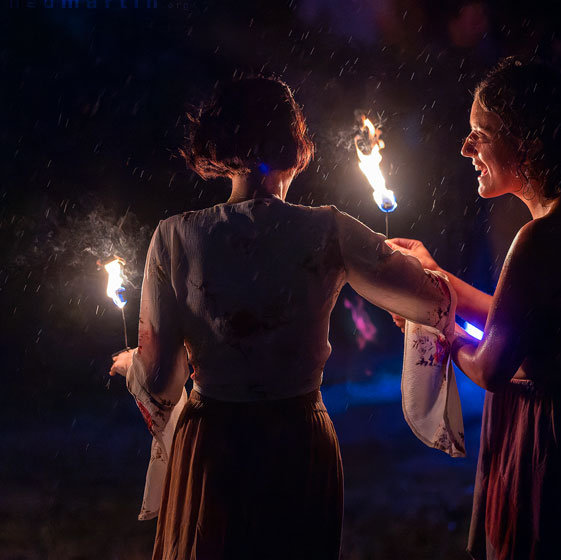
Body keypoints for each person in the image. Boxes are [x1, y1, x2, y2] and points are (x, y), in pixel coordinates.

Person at [109, 76, 454, 560]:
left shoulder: (175, 236)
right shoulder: (328, 229)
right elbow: (432, 301)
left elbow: (163, 378)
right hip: (295, 440)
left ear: (217, 145)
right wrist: (421, 268)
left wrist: (132, 366)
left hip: (215, 443)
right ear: (295, 145)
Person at [388, 57, 561, 560]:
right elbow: (520, 320)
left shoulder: (540, 237)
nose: (465, 148)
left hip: (548, 442)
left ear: (529, 140)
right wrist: (435, 277)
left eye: (479, 134)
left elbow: (491, 368)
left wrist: (437, 329)